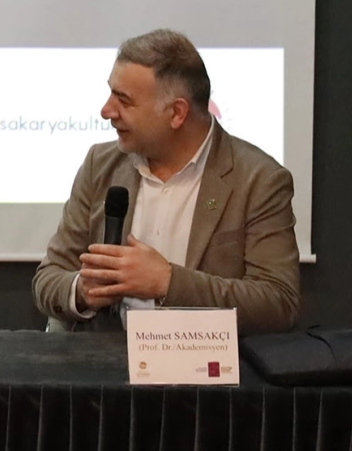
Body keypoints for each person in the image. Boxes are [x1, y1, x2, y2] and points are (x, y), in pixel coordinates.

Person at [32, 29, 300, 336]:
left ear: (176, 113)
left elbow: (278, 303)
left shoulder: (258, 180)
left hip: (205, 363)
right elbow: (49, 279)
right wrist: (81, 290)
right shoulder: (100, 166)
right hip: (105, 360)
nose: (106, 111)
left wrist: (167, 282)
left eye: (124, 100)